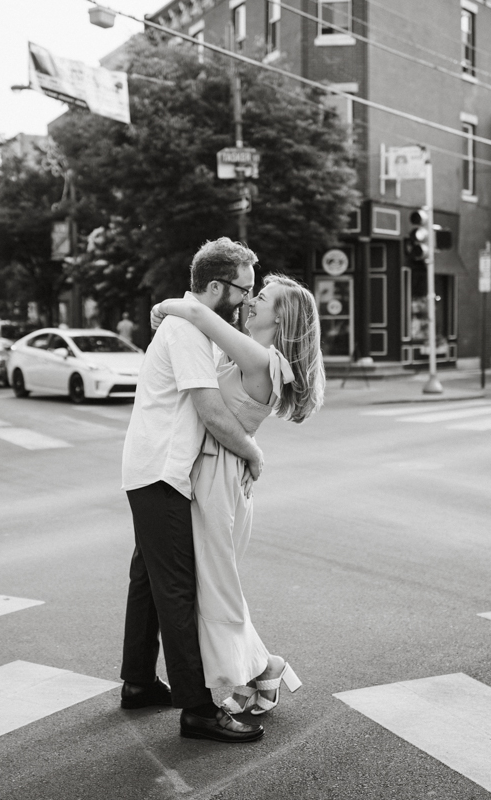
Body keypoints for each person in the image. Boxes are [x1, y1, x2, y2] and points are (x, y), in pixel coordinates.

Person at [151, 272, 325, 718]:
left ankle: (264, 666)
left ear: (280, 315)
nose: (250, 301)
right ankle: (257, 671)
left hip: (220, 478)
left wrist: (162, 307)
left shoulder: (261, 357)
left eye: (261, 297)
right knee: (212, 586)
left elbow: (194, 310)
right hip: (216, 472)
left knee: (215, 589)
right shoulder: (251, 354)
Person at [120, 238, 267, 744]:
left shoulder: (190, 323)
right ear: (213, 286)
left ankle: (138, 683)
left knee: (148, 578)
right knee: (177, 590)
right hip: (163, 472)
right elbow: (209, 409)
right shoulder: (186, 330)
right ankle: (199, 709)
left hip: (153, 468)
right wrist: (252, 451)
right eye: (243, 290)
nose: (248, 301)